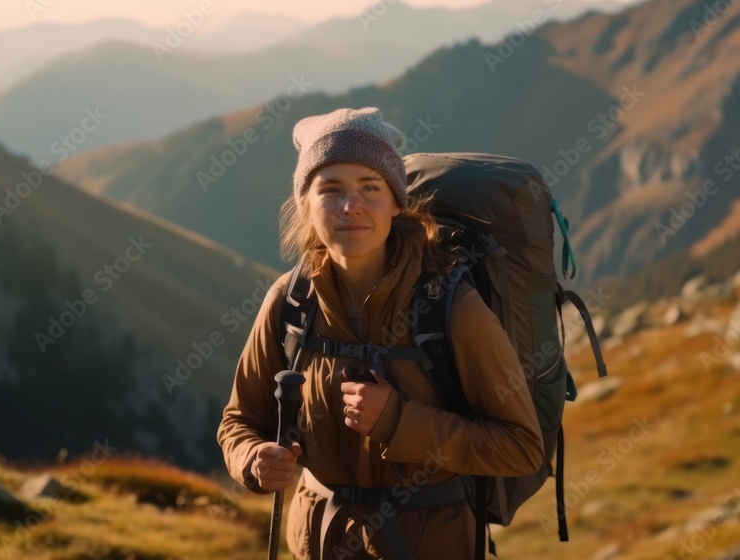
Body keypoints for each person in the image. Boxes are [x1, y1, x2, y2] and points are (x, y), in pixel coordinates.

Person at [216, 107, 544, 559]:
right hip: (319, 543)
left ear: (396, 201)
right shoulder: (290, 302)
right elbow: (238, 421)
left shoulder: (450, 306)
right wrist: (252, 460)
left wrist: (397, 421)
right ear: (306, 205)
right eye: (329, 189)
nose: (351, 206)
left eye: (369, 188)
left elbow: (521, 448)